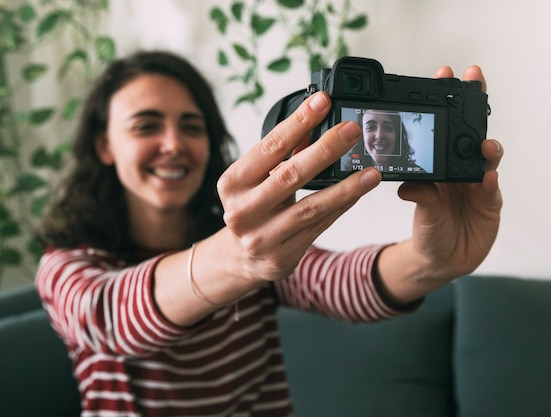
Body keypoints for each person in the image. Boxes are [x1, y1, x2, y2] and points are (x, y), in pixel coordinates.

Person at [35, 50, 503, 417]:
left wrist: (431, 261)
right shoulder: (66, 267)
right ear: (104, 145)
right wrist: (235, 261)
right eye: (146, 126)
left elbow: (333, 280)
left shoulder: (259, 250)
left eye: (191, 126)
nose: (173, 144)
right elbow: (109, 317)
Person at [344, 109, 428, 173]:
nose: (379, 135)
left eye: (388, 128)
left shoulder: (419, 173)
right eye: (370, 127)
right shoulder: (350, 174)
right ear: (362, 135)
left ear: (397, 135)